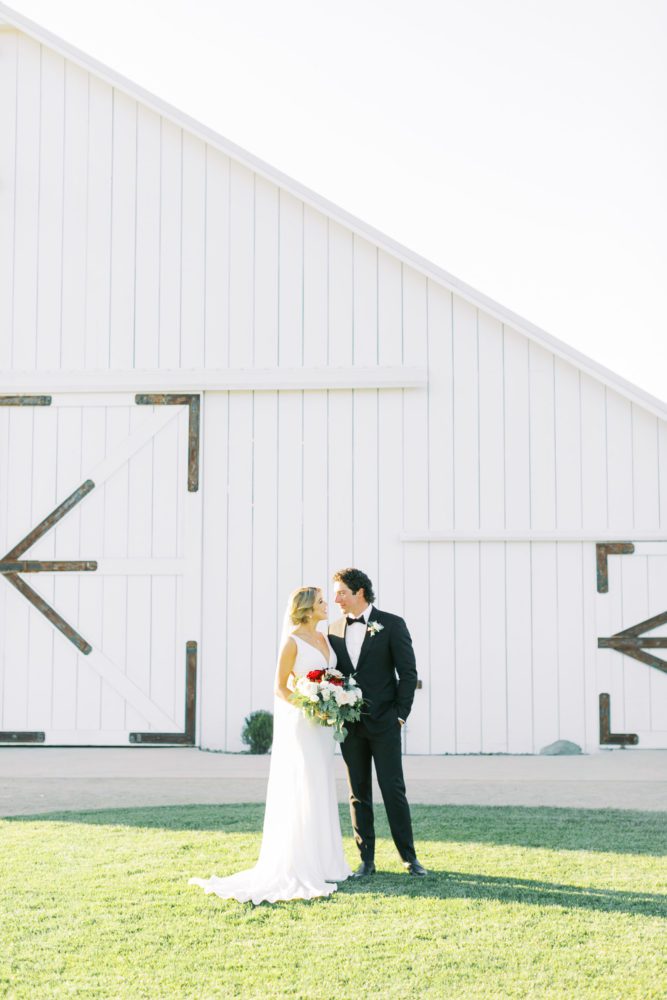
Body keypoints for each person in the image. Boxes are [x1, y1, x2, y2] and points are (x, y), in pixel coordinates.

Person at [188, 586, 351, 904]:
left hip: (323, 728)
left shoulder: (326, 638)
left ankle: (327, 861)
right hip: (305, 723)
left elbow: (331, 676)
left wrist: (334, 702)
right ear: (307, 608)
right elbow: (279, 688)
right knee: (305, 785)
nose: (326, 604)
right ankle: (302, 862)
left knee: (321, 784)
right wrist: (312, 706)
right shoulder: (292, 642)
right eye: (321, 601)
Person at [328, 568, 427, 877]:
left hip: (385, 723)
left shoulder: (392, 624)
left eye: (341, 593)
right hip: (350, 727)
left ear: (359, 592)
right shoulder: (333, 630)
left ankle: (409, 858)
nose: (336, 599)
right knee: (358, 794)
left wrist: (400, 715)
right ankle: (366, 861)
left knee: (393, 790)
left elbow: (407, 674)